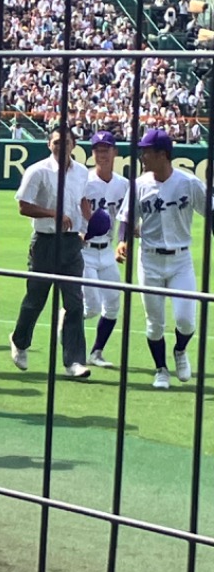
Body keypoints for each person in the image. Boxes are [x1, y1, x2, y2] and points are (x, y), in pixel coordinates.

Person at [116, 127, 211, 389]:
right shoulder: (139, 184)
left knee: (186, 320)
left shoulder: (188, 183)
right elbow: (126, 217)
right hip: (150, 260)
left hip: (181, 260)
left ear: (162, 155)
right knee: (154, 322)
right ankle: (161, 369)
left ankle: (180, 350)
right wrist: (122, 240)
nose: (142, 156)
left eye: (147, 151)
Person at [9, 127, 92, 379]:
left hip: (71, 243)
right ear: (49, 144)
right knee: (36, 299)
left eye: (65, 142)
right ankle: (20, 341)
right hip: (44, 241)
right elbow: (23, 206)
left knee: (74, 303)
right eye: (56, 142)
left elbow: (83, 202)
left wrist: (86, 226)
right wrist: (53, 214)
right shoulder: (38, 171)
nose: (61, 146)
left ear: (74, 144)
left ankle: (74, 361)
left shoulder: (82, 172)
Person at [82, 130, 129, 368]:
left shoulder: (124, 184)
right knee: (90, 308)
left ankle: (96, 352)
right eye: (98, 149)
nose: (102, 154)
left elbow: (125, 218)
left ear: (115, 152)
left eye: (106, 149)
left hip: (107, 251)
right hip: (85, 251)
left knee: (112, 304)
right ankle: (66, 320)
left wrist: (124, 239)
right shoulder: (85, 181)